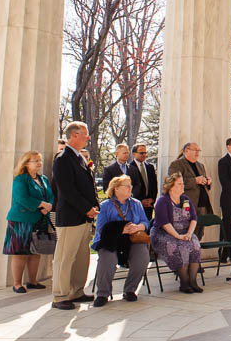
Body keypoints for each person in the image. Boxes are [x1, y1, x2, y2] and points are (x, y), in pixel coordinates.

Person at [52, 121, 100, 310]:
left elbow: (88, 185)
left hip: (84, 217)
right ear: (74, 135)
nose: (88, 137)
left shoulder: (79, 157)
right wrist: (85, 207)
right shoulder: (63, 159)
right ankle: (60, 295)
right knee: (65, 257)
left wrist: (94, 206)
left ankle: (76, 291)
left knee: (81, 256)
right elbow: (67, 190)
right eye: (85, 134)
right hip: (71, 217)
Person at [91, 175, 150, 306]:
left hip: (131, 239)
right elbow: (100, 228)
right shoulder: (105, 206)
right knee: (108, 258)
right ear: (116, 189)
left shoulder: (136, 203)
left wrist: (138, 227)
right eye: (127, 186)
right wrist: (121, 230)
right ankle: (102, 294)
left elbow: (145, 221)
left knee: (142, 256)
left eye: (131, 186)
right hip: (110, 240)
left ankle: (130, 290)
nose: (130, 188)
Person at [3, 151, 54, 293]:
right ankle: (17, 284)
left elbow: (50, 195)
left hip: (40, 219)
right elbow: (22, 198)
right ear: (26, 163)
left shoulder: (43, 179)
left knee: (35, 251)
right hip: (22, 220)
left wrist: (48, 205)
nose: (39, 163)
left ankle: (33, 281)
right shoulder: (20, 179)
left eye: (40, 160)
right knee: (20, 252)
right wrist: (41, 204)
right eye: (35, 160)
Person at [151, 173, 203, 293]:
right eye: (179, 184)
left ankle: (193, 281)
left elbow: (194, 218)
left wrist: (189, 233)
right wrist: (178, 236)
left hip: (185, 231)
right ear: (171, 187)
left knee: (195, 245)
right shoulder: (163, 201)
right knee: (178, 246)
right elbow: (164, 223)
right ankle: (184, 282)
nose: (182, 186)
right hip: (165, 233)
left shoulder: (185, 199)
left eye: (182, 184)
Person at [169, 142, 213, 237]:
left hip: (201, 206)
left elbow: (203, 184)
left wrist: (207, 182)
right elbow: (173, 183)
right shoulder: (177, 164)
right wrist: (195, 181)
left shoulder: (200, 165)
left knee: (199, 235)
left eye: (198, 150)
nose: (197, 153)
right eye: (195, 150)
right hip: (186, 206)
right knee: (186, 234)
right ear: (186, 150)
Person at [128, 143, 158, 220]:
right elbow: (130, 187)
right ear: (134, 154)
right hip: (135, 206)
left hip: (149, 206)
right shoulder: (129, 168)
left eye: (145, 153)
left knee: (147, 228)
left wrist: (151, 200)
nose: (144, 155)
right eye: (141, 153)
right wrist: (140, 201)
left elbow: (154, 185)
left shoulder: (150, 167)